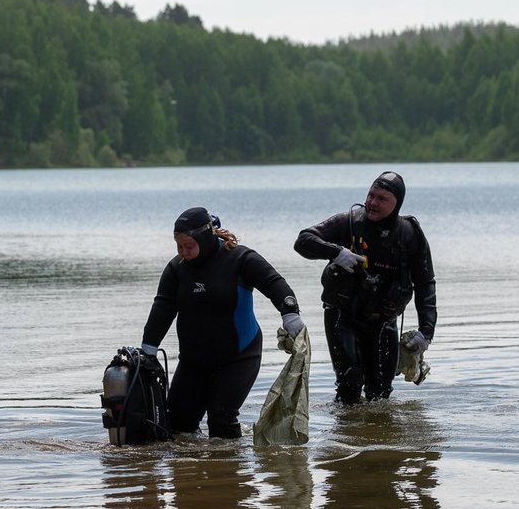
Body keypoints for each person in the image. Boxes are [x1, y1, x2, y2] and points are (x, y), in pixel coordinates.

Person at [141, 207, 305, 439]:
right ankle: (192, 470)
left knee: (220, 417)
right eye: (179, 246)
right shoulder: (176, 269)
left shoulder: (239, 259)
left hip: (239, 356)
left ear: (205, 239)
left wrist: (290, 313)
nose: (183, 252)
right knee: (177, 424)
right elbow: (162, 309)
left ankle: (230, 472)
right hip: (194, 361)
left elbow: (274, 283)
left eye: (189, 246)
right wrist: (148, 349)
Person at [293, 171, 436, 404]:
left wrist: (426, 332)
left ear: (397, 203)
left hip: (384, 321)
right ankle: (344, 431)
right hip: (343, 317)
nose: (372, 203)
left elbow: (425, 284)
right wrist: (336, 252)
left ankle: (369, 437)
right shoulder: (349, 224)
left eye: (381, 199)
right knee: (349, 383)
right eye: (371, 195)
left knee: (380, 395)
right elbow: (303, 241)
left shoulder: (410, 234)